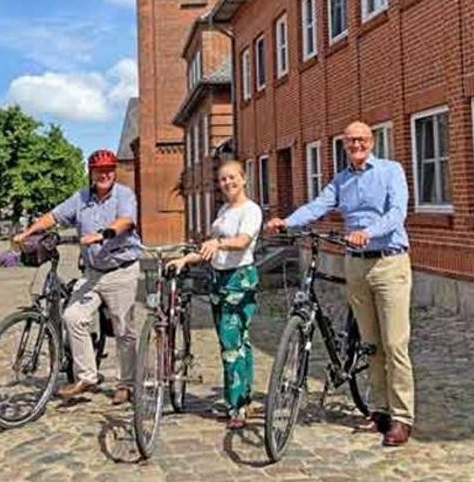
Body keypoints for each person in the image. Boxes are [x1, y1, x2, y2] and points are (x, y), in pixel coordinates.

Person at [265, 121, 414, 447]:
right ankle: (380, 410)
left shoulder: (391, 171)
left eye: (361, 139)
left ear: (372, 141)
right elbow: (318, 205)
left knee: (394, 344)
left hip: (389, 261)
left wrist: (368, 232)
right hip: (355, 265)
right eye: (350, 141)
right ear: (344, 145)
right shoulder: (341, 180)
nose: (356, 145)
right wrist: (286, 222)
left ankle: (402, 417)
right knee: (371, 344)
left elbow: (397, 213)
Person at [13, 149, 141, 405]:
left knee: (123, 329)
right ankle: (87, 377)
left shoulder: (124, 195)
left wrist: (102, 235)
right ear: (91, 173)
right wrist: (28, 233)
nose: (104, 175)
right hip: (92, 273)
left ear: (114, 172)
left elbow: (126, 221)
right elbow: (54, 216)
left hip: (121, 271)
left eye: (109, 170)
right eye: (99, 171)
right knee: (72, 317)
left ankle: (126, 383)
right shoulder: (81, 198)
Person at [166, 160, 263, 429]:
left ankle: (237, 407)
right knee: (237, 343)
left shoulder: (251, 210)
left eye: (232, 177)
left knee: (232, 344)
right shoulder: (223, 211)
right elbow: (210, 249)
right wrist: (186, 259)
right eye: (222, 179)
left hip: (239, 280)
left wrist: (218, 242)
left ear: (244, 179)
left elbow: (242, 241)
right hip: (218, 279)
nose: (227, 183)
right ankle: (242, 399)